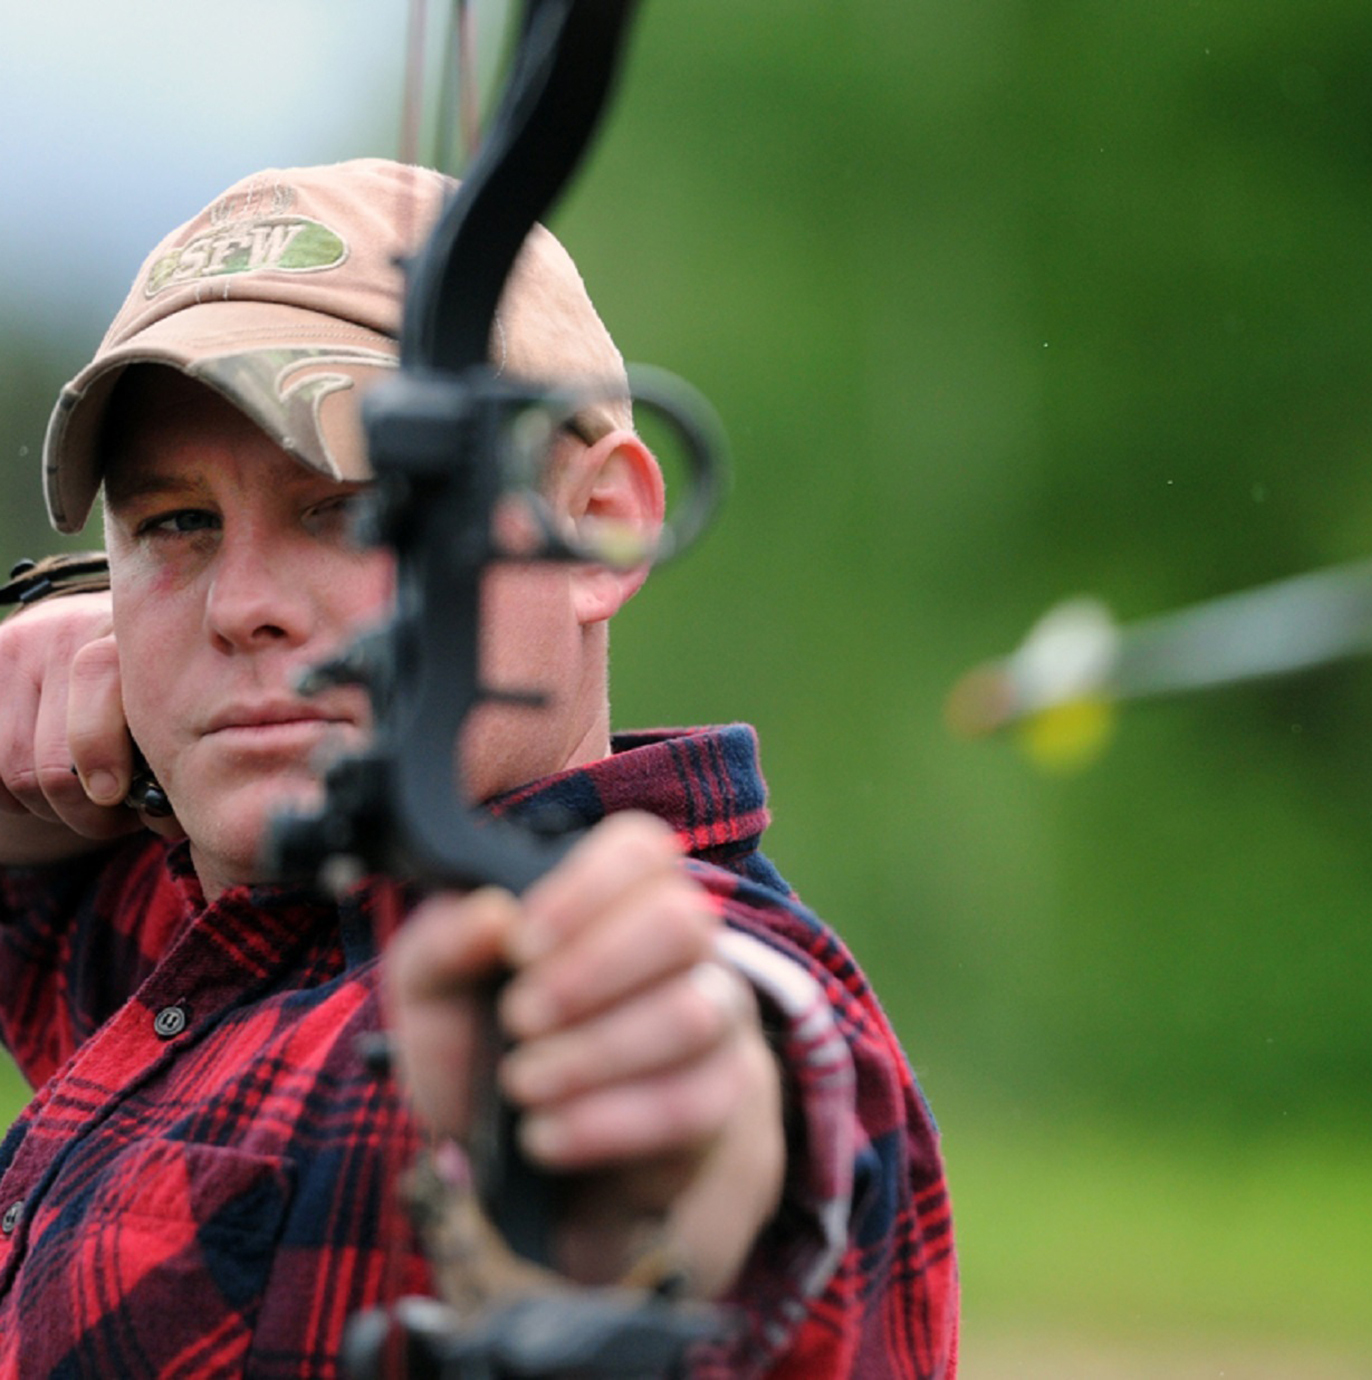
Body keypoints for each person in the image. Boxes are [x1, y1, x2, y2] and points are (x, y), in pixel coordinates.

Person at [0, 159, 958, 1378]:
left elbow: (752, 1087)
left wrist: (649, 1172)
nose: (240, 606)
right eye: (174, 524)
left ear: (598, 524)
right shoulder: (208, 919)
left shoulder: (681, 972)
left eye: (350, 508)